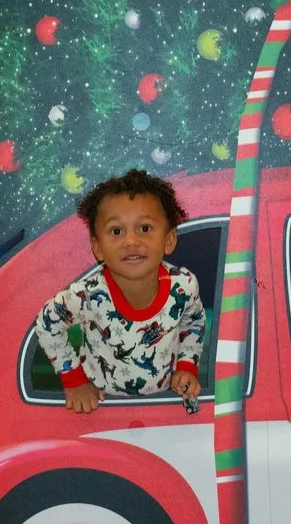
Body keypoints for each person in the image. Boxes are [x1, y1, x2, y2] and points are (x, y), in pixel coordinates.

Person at [32, 170, 205, 413]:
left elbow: (194, 322)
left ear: (169, 240)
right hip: (102, 412)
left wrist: (187, 366)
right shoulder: (88, 296)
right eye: (116, 231)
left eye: (144, 228)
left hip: (163, 409)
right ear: (98, 248)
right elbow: (47, 324)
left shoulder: (184, 285)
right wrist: (74, 381)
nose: (131, 241)